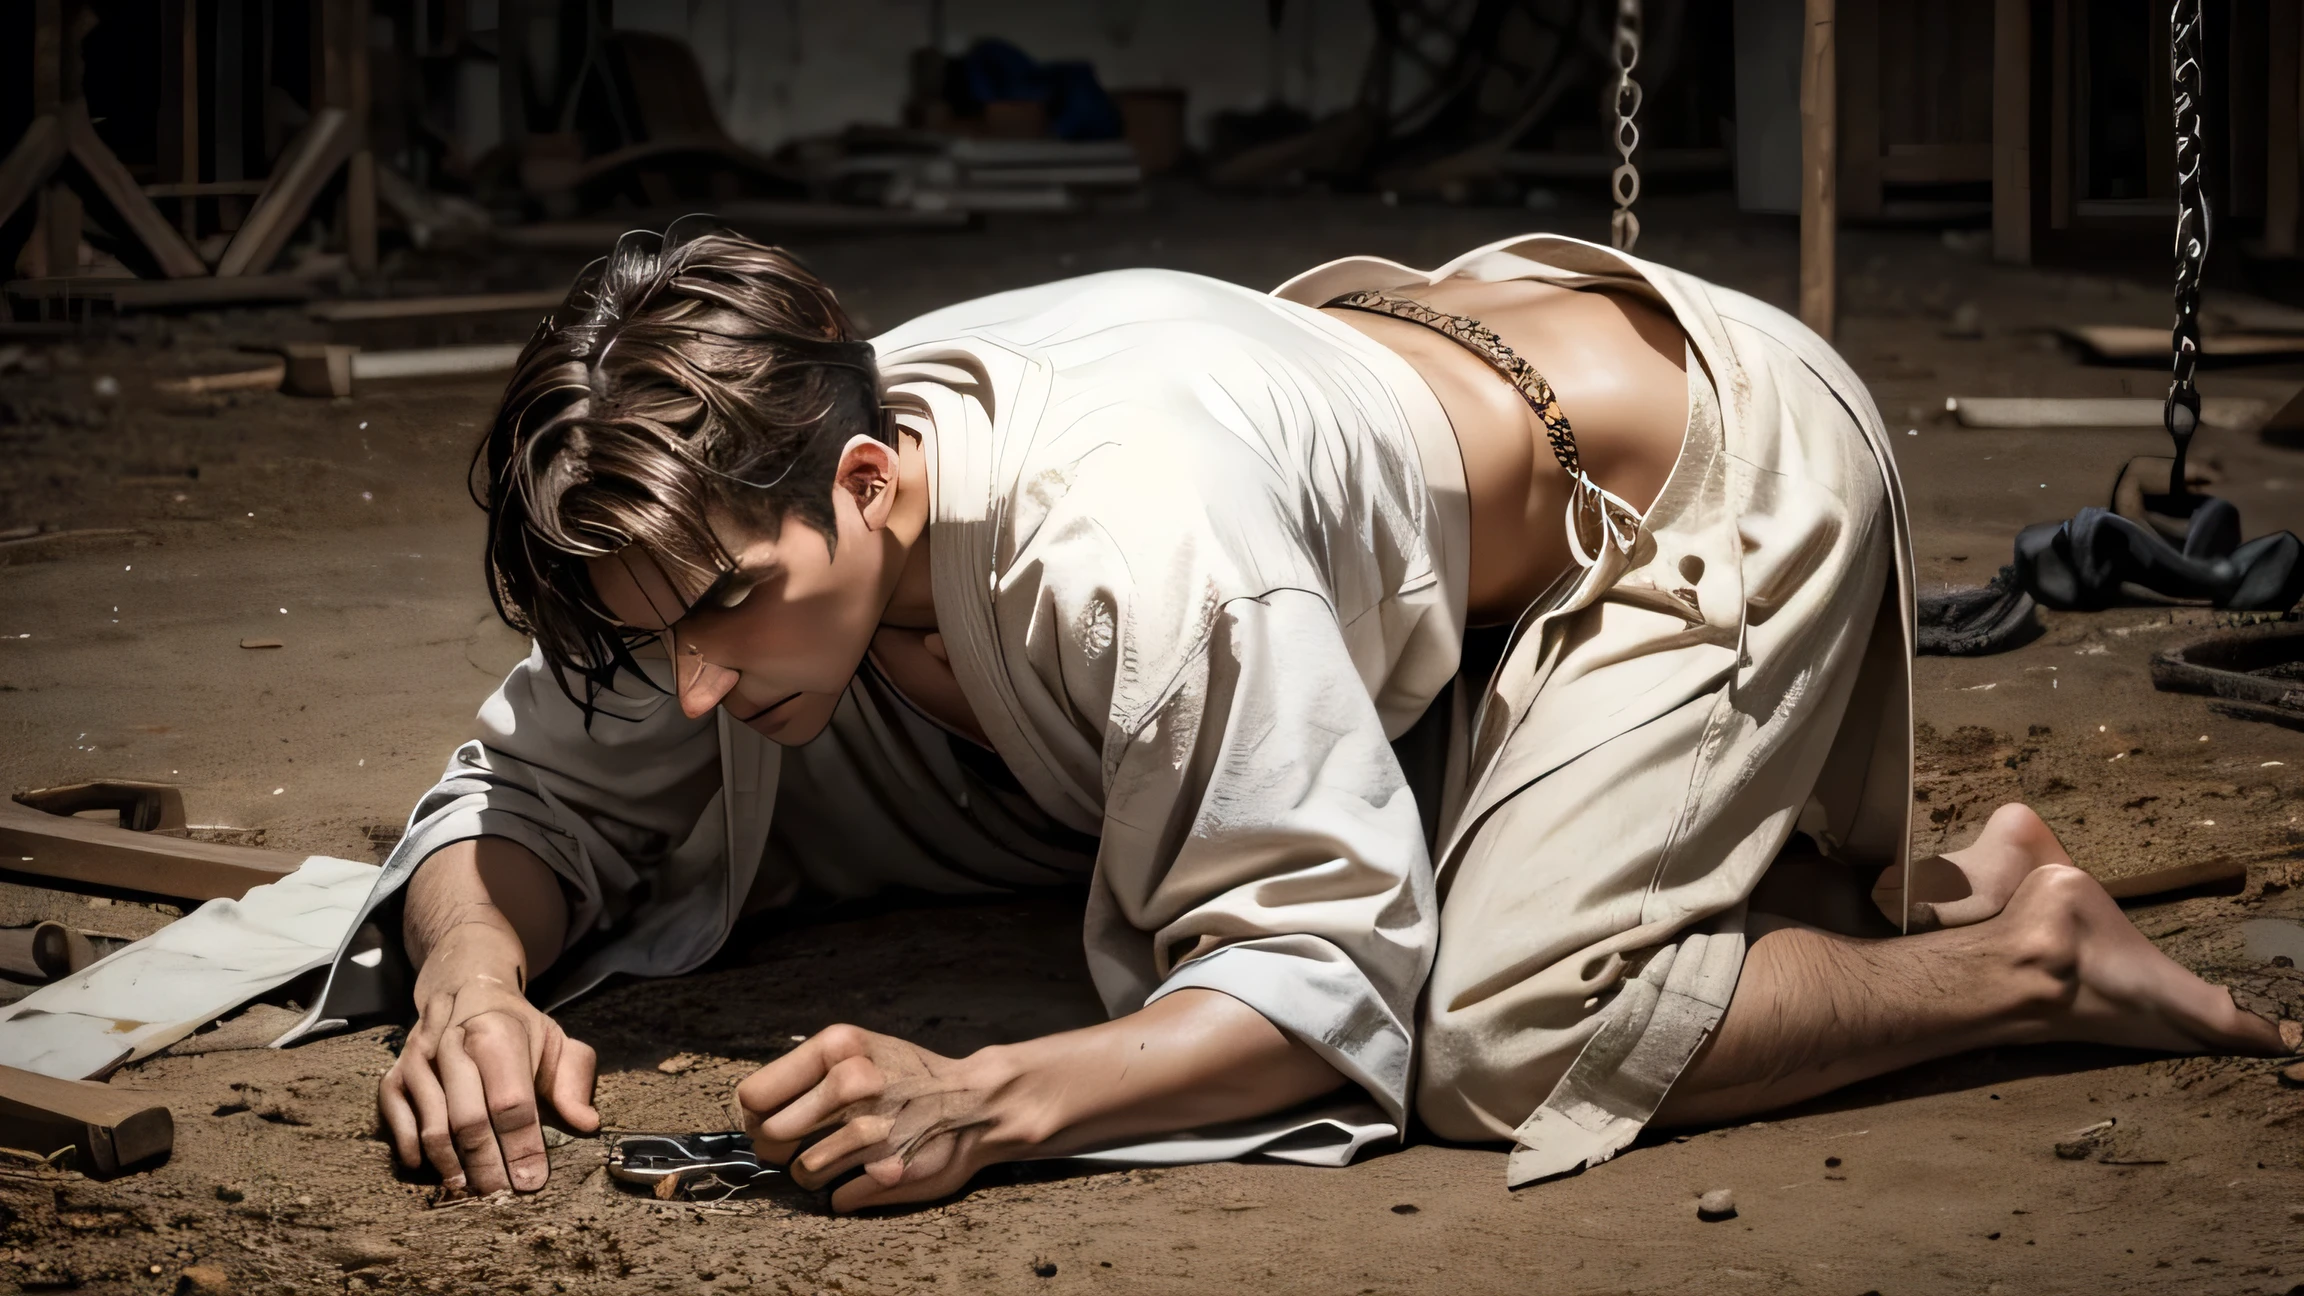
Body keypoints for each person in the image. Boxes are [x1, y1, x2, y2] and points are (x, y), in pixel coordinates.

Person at [335, 219, 2296, 1211]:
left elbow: (1329, 967)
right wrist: (473, 990)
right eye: (650, 630)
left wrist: (997, 1100)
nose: (692, 671)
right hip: (1416, 392)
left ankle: (2023, 952)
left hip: (1682, 470)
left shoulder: (1137, 547)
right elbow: (528, 774)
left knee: (1507, 1036)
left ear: (868, 485)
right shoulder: (754, 494)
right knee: (726, 775)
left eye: (733, 610)